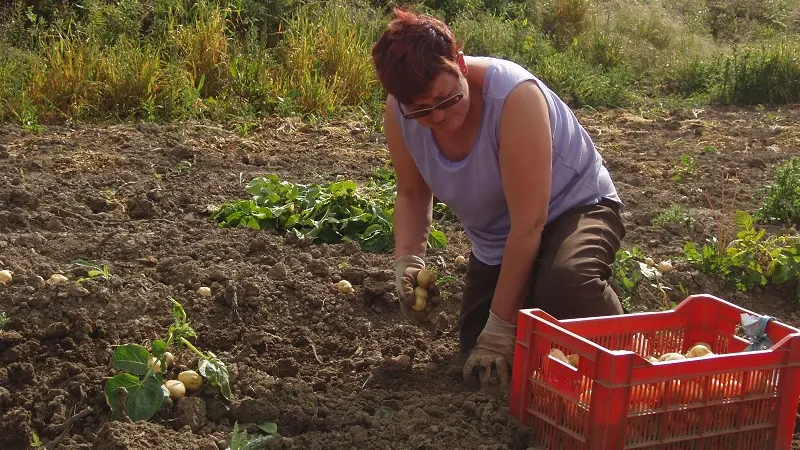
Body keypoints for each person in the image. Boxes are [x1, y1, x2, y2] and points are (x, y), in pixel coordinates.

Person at [371, 8, 626, 387]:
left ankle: (630, 359)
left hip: (574, 208)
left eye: (445, 99)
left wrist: (503, 325)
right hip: (498, 239)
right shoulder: (400, 114)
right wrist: (407, 260)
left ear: (458, 62)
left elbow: (530, 223)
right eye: (421, 110)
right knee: (479, 354)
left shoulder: (513, 97)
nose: (437, 117)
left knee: (565, 283)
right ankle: (549, 311)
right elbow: (411, 192)